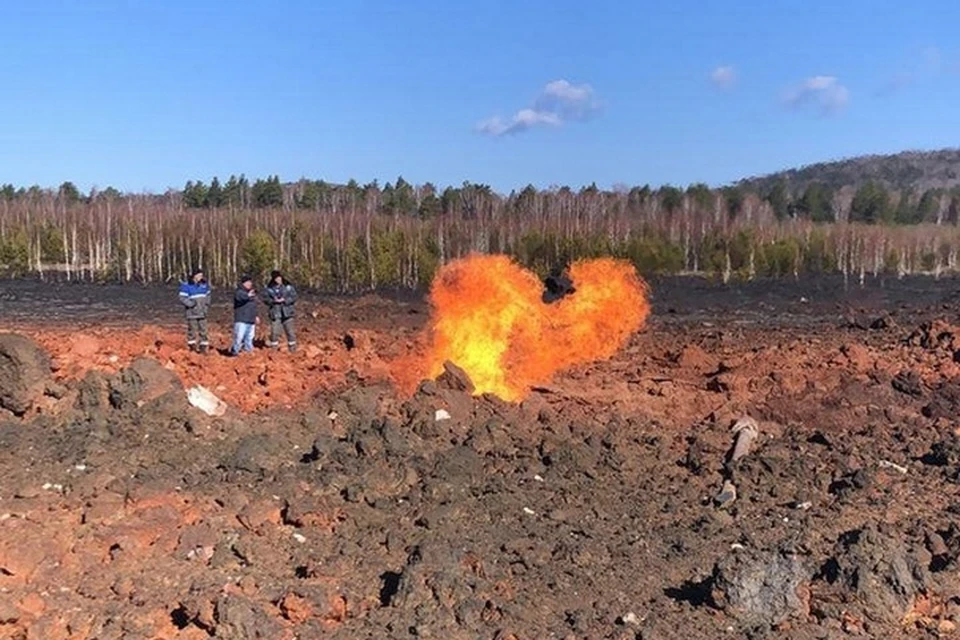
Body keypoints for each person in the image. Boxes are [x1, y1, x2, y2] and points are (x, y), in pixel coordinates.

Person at [261, 270, 298, 352]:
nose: (278, 279)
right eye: (276, 278)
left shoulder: (288, 287)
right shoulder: (269, 289)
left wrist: (285, 300)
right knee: (274, 332)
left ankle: (293, 349)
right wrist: (274, 301)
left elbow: (294, 297)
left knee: (290, 332)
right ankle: (274, 349)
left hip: (287, 312)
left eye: (279, 277)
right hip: (275, 313)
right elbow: (265, 299)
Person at [178, 268, 211, 353]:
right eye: (199, 275)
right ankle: (192, 347)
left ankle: (203, 347)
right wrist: (191, 304)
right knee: (192, 330)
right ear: (194, 276)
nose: (201, 277)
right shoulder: (186, 286)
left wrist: (206, 306)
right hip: (192, 313)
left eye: (201, 275)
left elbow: (208, 297)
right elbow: (182, 298)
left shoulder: (204, 285)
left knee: (203, 330)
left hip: (202, 312)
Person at [231, 274, 258, 355]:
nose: (250, 284)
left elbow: (254, 305)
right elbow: (240, 297)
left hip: (251, 319)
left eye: (250, 282)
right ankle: (235, 351)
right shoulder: (239, 292)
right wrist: (248, 295)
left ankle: (248, 351)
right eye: (248, 282)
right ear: (244, 283)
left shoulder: (252, 293)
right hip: (241, 319)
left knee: (249, 338)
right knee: (239, 338)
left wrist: (256, 316)